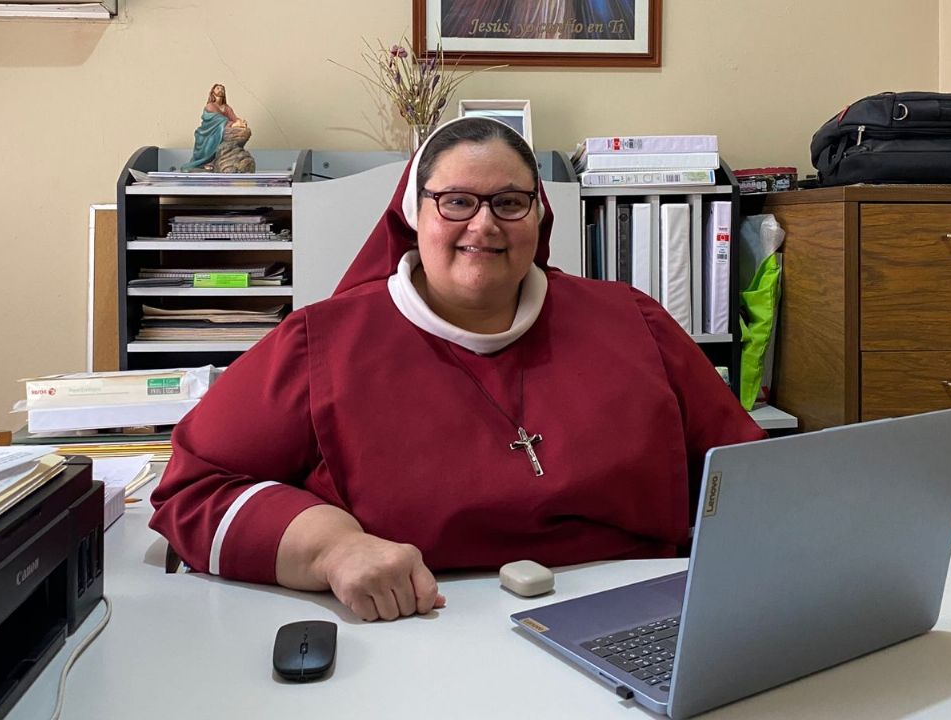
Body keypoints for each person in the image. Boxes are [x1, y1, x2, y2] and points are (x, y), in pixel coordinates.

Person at [150, 117, 765, 622]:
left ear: (539, 215)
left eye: (510, 202)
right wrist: (332, 548)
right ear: (415, 215)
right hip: (419, 626)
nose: (485, 224)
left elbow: (749, 473)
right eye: (457, 201)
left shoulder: (632, 322)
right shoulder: (322, 342)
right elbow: (193, 490)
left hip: (641, 616)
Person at [181, 83, 245, 171]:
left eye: (222, 89)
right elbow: (217, 119)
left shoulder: (226, 108)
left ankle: (217, 160)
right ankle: (205, 162)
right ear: (213, 92)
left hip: (220, 129)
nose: (220, 90)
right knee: (211, 142)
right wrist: (232, 124)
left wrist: (240, 121)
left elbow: (233, 117)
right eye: (218, 88)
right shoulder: (210, 106)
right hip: (207, 133)